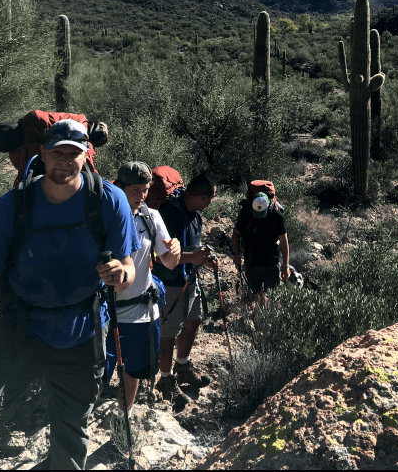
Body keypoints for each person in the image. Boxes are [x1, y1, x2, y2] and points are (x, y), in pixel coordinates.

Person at [0, 119, 140, 471]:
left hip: (81, 332)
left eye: (74, 153)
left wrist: (121, 275)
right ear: (43, 155)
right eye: (57, 153)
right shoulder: (11, 208)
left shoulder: (108, 201)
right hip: (20, 327)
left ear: (86, 156)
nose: (65, 161)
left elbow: (128, 267)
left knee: (70, 432)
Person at [105, 161, 181, 424]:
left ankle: (122, 418)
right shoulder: (104, 217)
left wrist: (175, 252)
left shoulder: (152, 217)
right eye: (135, 190)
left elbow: (169, 263)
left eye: (146, 189)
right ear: (118, 187)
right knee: (98, 371)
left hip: (140, 311)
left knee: (134, 371)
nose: (141, 196)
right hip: (105, 312)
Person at [152, 173, 218, 404]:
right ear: (201, 196)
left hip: (189, 279)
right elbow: (159, 257)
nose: (210, 203)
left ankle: (183, 366)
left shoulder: (194, 215)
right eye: (210, 198)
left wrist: (203, 259)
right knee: (168, 333)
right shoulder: (170, 213)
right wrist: (194, 258)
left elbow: (191, 250)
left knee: (194, 319)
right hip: (170, 283)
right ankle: (165, 379)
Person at [232, 180, 289, 308]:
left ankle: (270, 318)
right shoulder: (246, 212)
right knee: (256, 292)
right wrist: (236, 255)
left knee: (274, 295)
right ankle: (260, 315)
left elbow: (284, 241)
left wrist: (285, 265)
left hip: (271, 260)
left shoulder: (276, 215)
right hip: (251, 259)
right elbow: (235, 234)